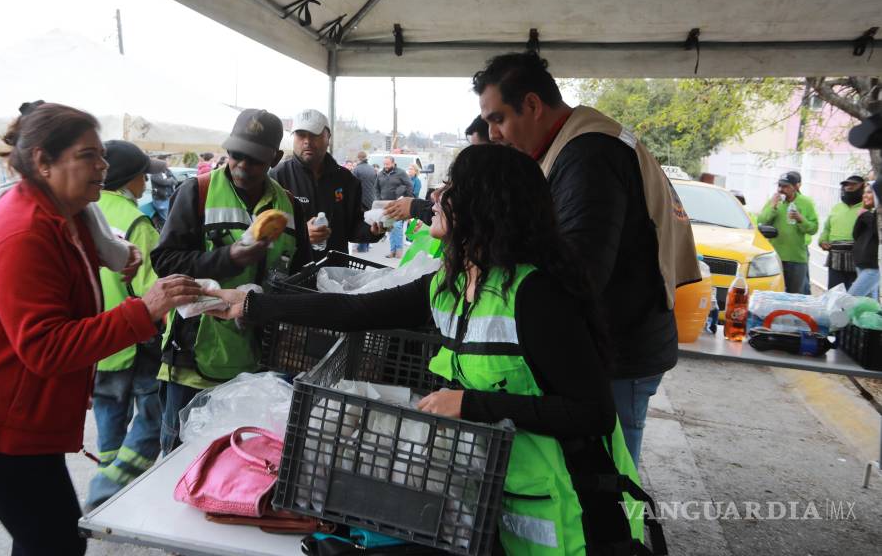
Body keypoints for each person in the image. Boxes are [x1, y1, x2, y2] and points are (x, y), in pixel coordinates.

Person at [207, 145, 664, 556]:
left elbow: (593, 413)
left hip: (573, 507)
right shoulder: (453, 283)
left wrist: (469, 403)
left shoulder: (536, 295)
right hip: (502, 491)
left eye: (453, 186)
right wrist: (252, 303)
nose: (439, 195)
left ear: (486, 205)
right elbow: (356, 311)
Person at [0, 103, 201, 555]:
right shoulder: (24, 232)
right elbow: (45, 348)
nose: (103, 166)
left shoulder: (66, 218)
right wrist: (145, 309)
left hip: (20, 419)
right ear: (43, 163)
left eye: (102, 156)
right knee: (52, 541)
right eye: (88, 155)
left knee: (43, 538)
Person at [472, 52, 700, 467]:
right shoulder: (576, 143)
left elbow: (580, 267)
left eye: (498, 118)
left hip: (621, 349)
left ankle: (621, 532)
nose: (494, 134)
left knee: (611, 478)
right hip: (617, 342)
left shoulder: (588, 154)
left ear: (533, 105)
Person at [151, 108, 313, 455]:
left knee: (240, 464)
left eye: (254, 159)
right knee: (178, 464)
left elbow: (302, 273)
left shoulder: (288, 207)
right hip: (194, 364)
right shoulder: (196, 192)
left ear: (275, 157)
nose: (241, 164)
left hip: (259, 369)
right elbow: (164, 262)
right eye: (235, 154)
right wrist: (230, 258)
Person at [84, 140, 170, 511]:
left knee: (109, 417)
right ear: (126, 181)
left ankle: (109, 480)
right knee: (151, 418)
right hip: (132, 340)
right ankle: (106, 490)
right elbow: (155, 289)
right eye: (141, 177)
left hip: (93, 344)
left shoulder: (82, 211)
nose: (145, 184)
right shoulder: (136, 221)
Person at [269, 109, 382, 261]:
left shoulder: (347, 180)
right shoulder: (277, 177)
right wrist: (300, 235)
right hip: (291, 275)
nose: (307, 141)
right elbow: (264, 231)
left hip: (334, 273)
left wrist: (373, 230)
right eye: (301, 135)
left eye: (314, 135)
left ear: (328, 137)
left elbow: (352, 228)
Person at [757, 171, 819, 294]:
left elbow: (813, 228)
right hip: (775, 257)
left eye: (786, 186)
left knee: (794, 296)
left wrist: (801, 219)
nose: (781, 189)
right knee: (773, 293)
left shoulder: (806, 202)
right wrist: (773, 207)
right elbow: (761, 222)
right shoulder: (774, 200)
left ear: (796, 187)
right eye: (779, 185)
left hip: (796, 258)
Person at [819, 175, 865, 289]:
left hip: (858, 259)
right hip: (836, 259)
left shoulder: (867, 208)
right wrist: (823, 241)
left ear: (863, 187)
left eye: (853, 185)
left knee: (854, 297)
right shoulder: (837, 208)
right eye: (846, 185)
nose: (848, 187)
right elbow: (827, 228)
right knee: (835, 294)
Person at [374, 155, 413, 258]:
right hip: (385, 205)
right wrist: (379, 199)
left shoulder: (400, 173)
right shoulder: (380, 174)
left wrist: (406, 198)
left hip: (397, 204)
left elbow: (409, 185)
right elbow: (376, 188)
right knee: (390, 227)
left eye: (387, 164)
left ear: (393, 163)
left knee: (397, 227)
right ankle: (392, 251)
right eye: (384, 164)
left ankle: (399, 251)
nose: (385, 166)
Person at [850, 183, 879, 299]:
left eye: (869, 192)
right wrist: (864, 213)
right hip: (861, 265)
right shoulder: (871, 214)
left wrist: (865, 214)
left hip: (873, 268)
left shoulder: (875, 216)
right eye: (865, 192)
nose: (865, 195)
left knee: (849, 300)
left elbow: (878, 232)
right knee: (869, 308)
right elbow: (855, 234)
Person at [351, 151, 378, 253]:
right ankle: (365, 246)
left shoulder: (357, 169)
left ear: (358, 158)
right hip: (371, 199)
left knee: (362, 222)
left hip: (361, 200)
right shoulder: (372, 169)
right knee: (369, 222)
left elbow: (352, 185)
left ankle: (362, 248)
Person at [149, 164, 179, 230]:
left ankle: (170, 230)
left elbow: (176, 181)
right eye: (164, 165)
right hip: (161, 199)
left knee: (170, 217)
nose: (166, 166)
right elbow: (163, 182)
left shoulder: (167, 171)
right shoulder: (155, 174)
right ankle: (168, 233)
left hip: (169, 197)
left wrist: (170, 179)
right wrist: (170, 180)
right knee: (167, 218)